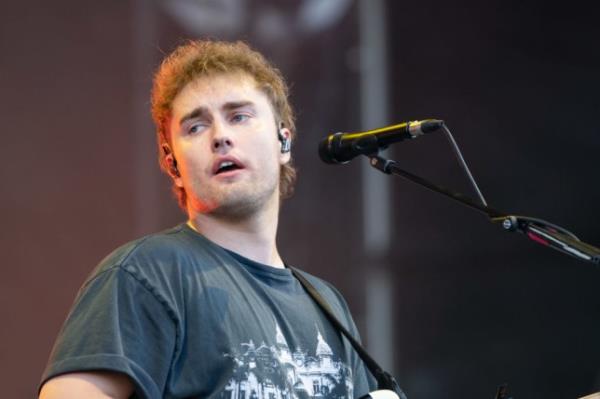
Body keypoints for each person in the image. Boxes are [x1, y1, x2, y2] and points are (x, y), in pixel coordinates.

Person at [39, 40, 377, 399]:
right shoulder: (144, 275)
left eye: (239, 116)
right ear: (174, 166)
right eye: (196, 127)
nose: (221, 137)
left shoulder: (327, 306)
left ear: (283, 141)